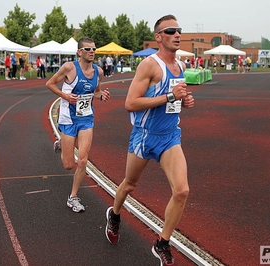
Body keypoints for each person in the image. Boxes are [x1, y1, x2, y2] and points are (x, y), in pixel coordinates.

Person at [105, 14, 194, 266]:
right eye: (170, 31)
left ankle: (162, 243)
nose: (177, 34)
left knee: (182, 190)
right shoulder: (149, 65)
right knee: (129, 185)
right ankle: (115, 214)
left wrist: (185, 101)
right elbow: (130, 103)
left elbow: (177, 99)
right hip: (144, 136)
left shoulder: (181, 67)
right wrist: (169, 97)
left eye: (179, 30)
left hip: (169, 136)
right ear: (158, 37)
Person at [46, 37, 111, 213]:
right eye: (88, 49)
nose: (92, 52)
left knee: (82, 159)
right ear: (79, 52)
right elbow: (49, 83)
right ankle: (61, 142)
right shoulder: (69, 68)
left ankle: (73, 197)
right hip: (67, 118)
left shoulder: (99, 71)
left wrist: (101, 96)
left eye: (94, 49)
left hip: (86, 119)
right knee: (68, 165)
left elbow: (96, 92)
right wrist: (65, 96)